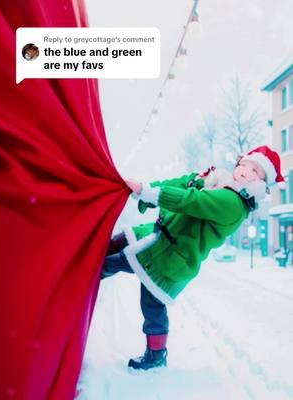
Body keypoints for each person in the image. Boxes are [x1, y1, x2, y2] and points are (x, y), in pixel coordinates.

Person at [101, 145, 285, 370]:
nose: (247, 170)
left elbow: (191, 201)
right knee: (114, 247)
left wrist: (149, 193)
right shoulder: (215, 180)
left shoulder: (233, 204)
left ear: (261, 183)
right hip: (155, 236)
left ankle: (155, 354)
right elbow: (183, 183)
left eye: (256, 171)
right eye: (245, 164)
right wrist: (149, 190)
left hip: (170, 257)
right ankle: (75, 273)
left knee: (145, 298)